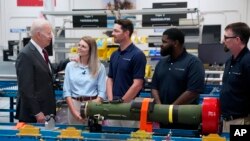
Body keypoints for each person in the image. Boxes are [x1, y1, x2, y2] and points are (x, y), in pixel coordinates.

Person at [15, 18, 69, 123]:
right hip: (34, 115)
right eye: (49, 33)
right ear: (39, 35)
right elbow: (26, 89)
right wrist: (37, 113)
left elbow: (50, 69)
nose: (51, 36)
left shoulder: (41, 51)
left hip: (45, 109)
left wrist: (69, 60)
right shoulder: (26, 55)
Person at [151, 28, 205, 128]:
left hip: (185, 121)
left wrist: (170, 111)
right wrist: (161, 109)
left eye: (164, 42)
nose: (161, 45)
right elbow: (154, 87)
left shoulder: (193, 63)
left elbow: (193, 91)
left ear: (175, 43)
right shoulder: (161, 62)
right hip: (163, 120)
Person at [106, 19, 146, 127]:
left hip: (129, 106)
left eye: (116, 31)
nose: (112, 34)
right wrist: (111, 100)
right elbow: (110, 78)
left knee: (129, 137)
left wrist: (122, 103)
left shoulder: (137, 55)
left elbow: (137, 84)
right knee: (112, 137)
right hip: (113, 104)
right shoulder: (114, 55)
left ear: (127, 33)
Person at [63, 36, 106, 125]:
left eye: (83, 46)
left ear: (91, 50)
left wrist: (92, 107)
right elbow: (66, 92)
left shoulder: (99, 67)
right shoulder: (70, 66)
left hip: (93, 105)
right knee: (74, 135)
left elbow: (102, 92)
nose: (79, 48)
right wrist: (74, 112)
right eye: (79, 45)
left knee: (94, 135)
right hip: (74, 105)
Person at [220, 22, 250, 133]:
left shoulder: (247, 62)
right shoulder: (229, 61)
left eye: (226, 37)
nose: (223, 41)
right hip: (227, 121)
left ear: (237, 40)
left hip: (241, 121)